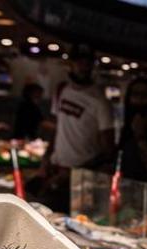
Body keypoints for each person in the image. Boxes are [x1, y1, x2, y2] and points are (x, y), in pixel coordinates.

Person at [39, 50, 115, 212]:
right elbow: (57, 127)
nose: (83, 67)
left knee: (75, 223)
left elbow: (109, 148)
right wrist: (46, 157)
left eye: (88, 63)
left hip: (81, 177)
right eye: (79, 62)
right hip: (56, 168)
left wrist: (77, 172)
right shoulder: (61, 91)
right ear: (71, 65)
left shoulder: (100, 101)